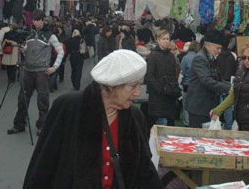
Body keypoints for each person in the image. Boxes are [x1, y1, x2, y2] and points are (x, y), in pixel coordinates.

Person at [23, 49, 163, 189]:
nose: (138, 93)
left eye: (140, 85)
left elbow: (145, 171)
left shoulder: (135, 117)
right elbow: (43, 165)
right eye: (133, 86)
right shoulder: (68, 107)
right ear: (111, 85)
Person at [7, 10, 64, 136]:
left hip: (42, 72)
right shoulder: (29, 34)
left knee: (42, 100)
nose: (36, 22)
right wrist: (22, 49)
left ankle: (42, 125)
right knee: (22, 98)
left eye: (38, 20)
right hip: (27, 70)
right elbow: (26, 50)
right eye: (34, 19)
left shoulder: (50, 35)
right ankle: (19, 124)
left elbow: (60, 51)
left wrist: (54, 67)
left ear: (43, 20)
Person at [210, 43, 249, 131]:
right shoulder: (241, 70)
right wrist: (218, 110)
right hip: (242, 119)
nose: (246, 61)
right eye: (244, 57)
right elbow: (234, 94)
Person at [186, 30, 231, 128]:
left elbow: (217, 79)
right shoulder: (200, 58)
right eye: (217, 48)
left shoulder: (210, 58)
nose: (219, 51)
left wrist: (232, 86)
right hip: (199, 108)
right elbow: (207, 81)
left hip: (207, 107)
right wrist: (230, 88)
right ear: (208, 45)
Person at [145, 29, 178, 128]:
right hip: (158, 98)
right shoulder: (153, 56)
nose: (166, 41)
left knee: (169, 125)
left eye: (168, 39)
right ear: (158, 40)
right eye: (164, 39)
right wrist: (160, 89)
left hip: (170, 97)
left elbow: (174, 75)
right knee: (161, 125)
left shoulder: (171, 56)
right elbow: (149, 76)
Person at [180, 41, 200, 127]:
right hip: (197, 85)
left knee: (186, 105)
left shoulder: (185, 58)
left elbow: (183, 72)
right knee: (196, 104)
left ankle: (187, 123)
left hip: (187, 85)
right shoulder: (200, 57)